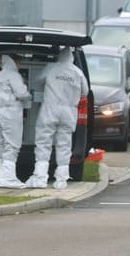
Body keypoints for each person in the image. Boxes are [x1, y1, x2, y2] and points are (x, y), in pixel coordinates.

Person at [25, 47, 89, 190]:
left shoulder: (51, 68)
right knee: (64, 145)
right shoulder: (78, 73)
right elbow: (85, 92)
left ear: (59, 56)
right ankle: (61, 180)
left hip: (50, 109)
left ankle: (40, 178)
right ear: (71, 58)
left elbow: (37, 81)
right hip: (69, 112)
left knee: (43, 142)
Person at [0, 54, 31, 189]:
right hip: (10, 113)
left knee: (0, 144)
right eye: (19, 62)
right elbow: (22, 93)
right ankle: (7, 178)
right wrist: (29, 94)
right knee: (12, 145)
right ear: (14, 62)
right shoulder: (13, 75)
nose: (20, 65)